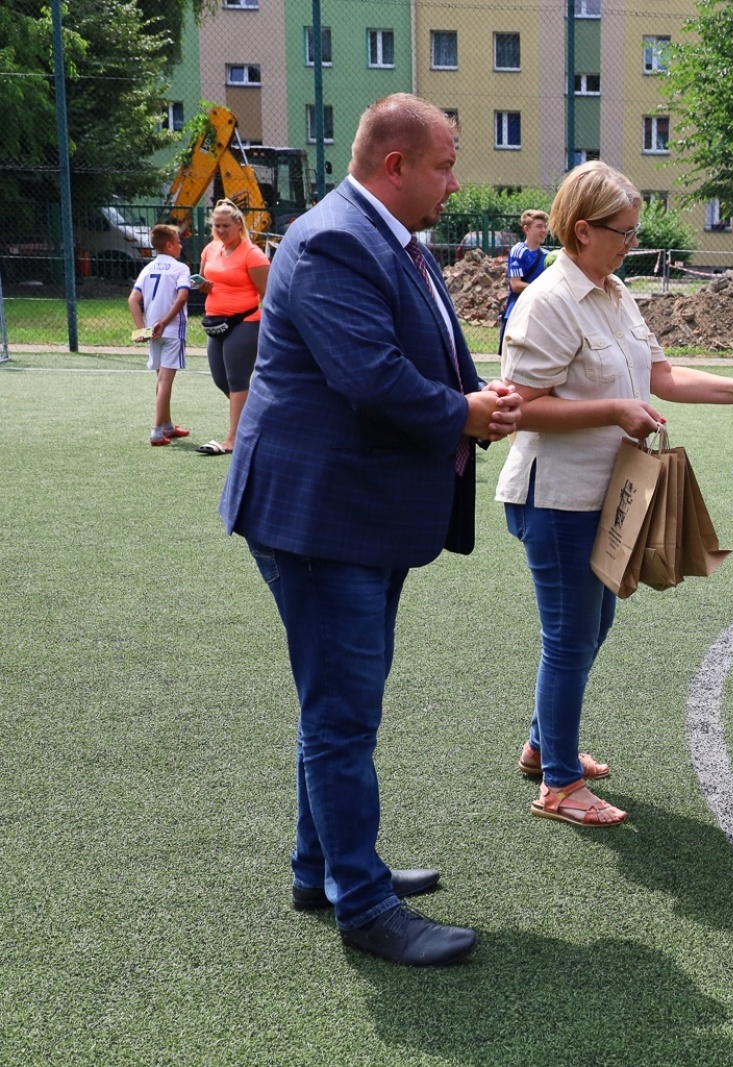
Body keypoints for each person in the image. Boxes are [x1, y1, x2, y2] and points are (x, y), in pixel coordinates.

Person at [220, 94, 522, 966]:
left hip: (354, 515)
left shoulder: (384, 239)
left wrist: (475, 398)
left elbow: (415, 358)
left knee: (338, 708)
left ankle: (322, 869)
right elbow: (371, 376)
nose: (455, 181)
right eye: (444, 164)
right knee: (343, 716)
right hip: (319, 520)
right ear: (397, 165)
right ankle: (363, 902)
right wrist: (463, 411)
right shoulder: (335, 239)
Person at [499, 161, 733, 822]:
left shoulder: (613, 291)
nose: (633, 241)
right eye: (623, 231)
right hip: (556, 498)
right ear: (581, 231)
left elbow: (658, 373)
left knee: (593, 623)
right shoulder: (548, 302)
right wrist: (612, 412)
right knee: (571, 634)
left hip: (603, 495)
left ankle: (546, 747)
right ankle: (561, 786)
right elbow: (519, 406)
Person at [192, 199, 270, 456]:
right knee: (220, 379)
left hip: (245, 322)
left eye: (225, 225)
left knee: (237, 381)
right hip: (215, 321)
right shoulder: (210, 250)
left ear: (239, 225)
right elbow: (206, 279)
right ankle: (261, 421)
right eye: (216, 226)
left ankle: (234, 439)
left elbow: (267, 294)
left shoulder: (252, 254)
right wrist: (203, 286)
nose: (221, 230)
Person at [128, 223, 192, 446]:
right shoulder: (180, 269)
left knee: (160, 378)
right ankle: (156, 430)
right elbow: (182, 297)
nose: (181, 245)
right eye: (178, 241)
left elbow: (133, 300)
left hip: (153, 332)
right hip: (172, 330)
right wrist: (164, 322)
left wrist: (143, 329)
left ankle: (166, 425)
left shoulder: (148, 269)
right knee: (166, 380)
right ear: (170, 245)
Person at [500, 209, 549, 353]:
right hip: (518, 311)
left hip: (539, 311)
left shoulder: (548, 255)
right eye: (539, 226)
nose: (544, 230)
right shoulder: (518, 251)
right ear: (526, 229)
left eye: (545, 226)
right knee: (513, 357)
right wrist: (542, 290)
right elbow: (515, 285)